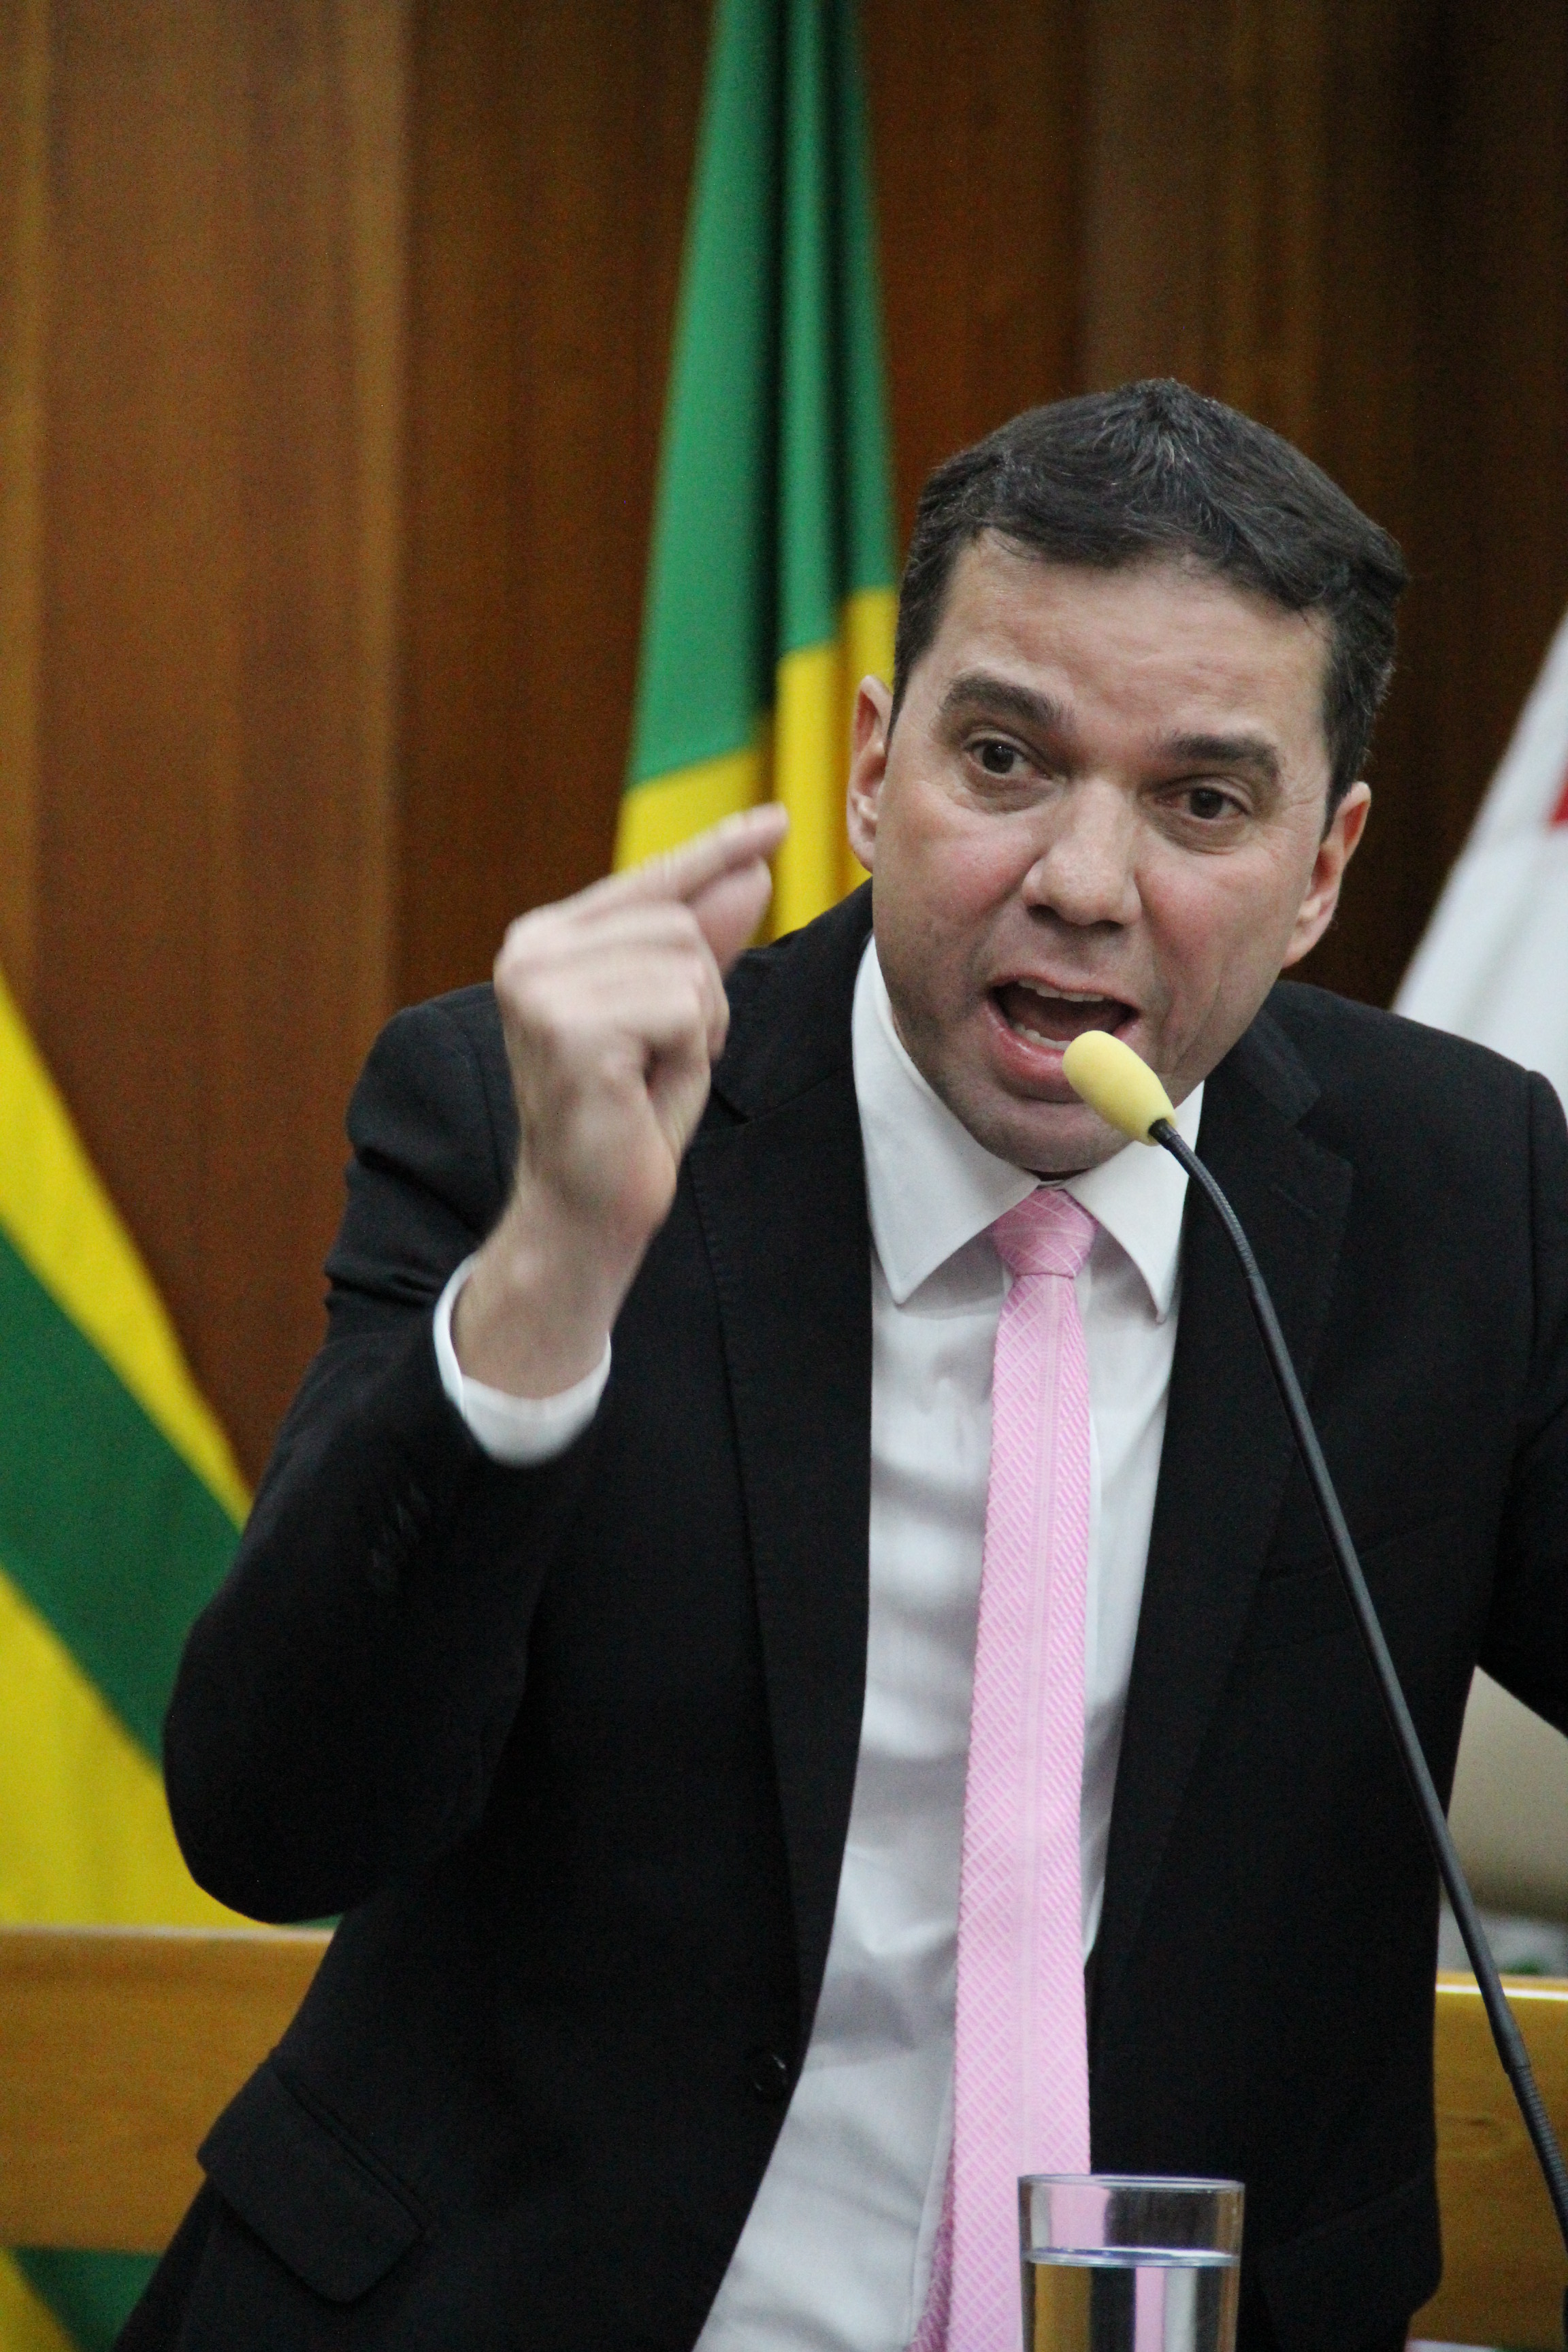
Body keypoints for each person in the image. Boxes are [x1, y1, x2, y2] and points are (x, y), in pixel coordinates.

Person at [123, 381, 1568, 2352]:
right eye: (1006, 759)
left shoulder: (1460, 1195)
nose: (1083, 880)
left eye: (1202, 804)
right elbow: (273, 1822)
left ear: (1325, 868)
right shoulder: (539, 1118)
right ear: (878, 770)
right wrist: (552, 1278)